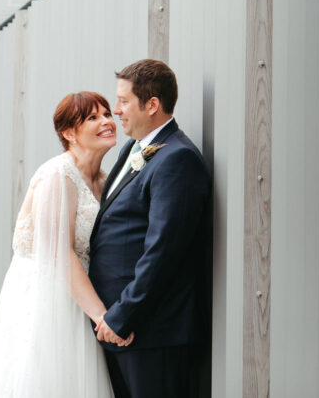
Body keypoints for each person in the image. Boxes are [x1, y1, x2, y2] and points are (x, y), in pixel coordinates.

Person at [0, 91, 132, 397]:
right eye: (92, 117)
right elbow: (60, 255)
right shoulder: (56, 176)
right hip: (49, 299)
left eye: (105, 114)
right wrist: (104, 317)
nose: (106, 121)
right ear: (68, 133)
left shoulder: (105, 179)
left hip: (81, 293)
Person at [88, 59, 211, 398]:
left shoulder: (177, 159)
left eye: (124, 101)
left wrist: (123, 316)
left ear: (152, 104)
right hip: (120, 328)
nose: (116, 111)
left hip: (152, 332)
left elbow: (163, 252)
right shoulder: (133, 148)